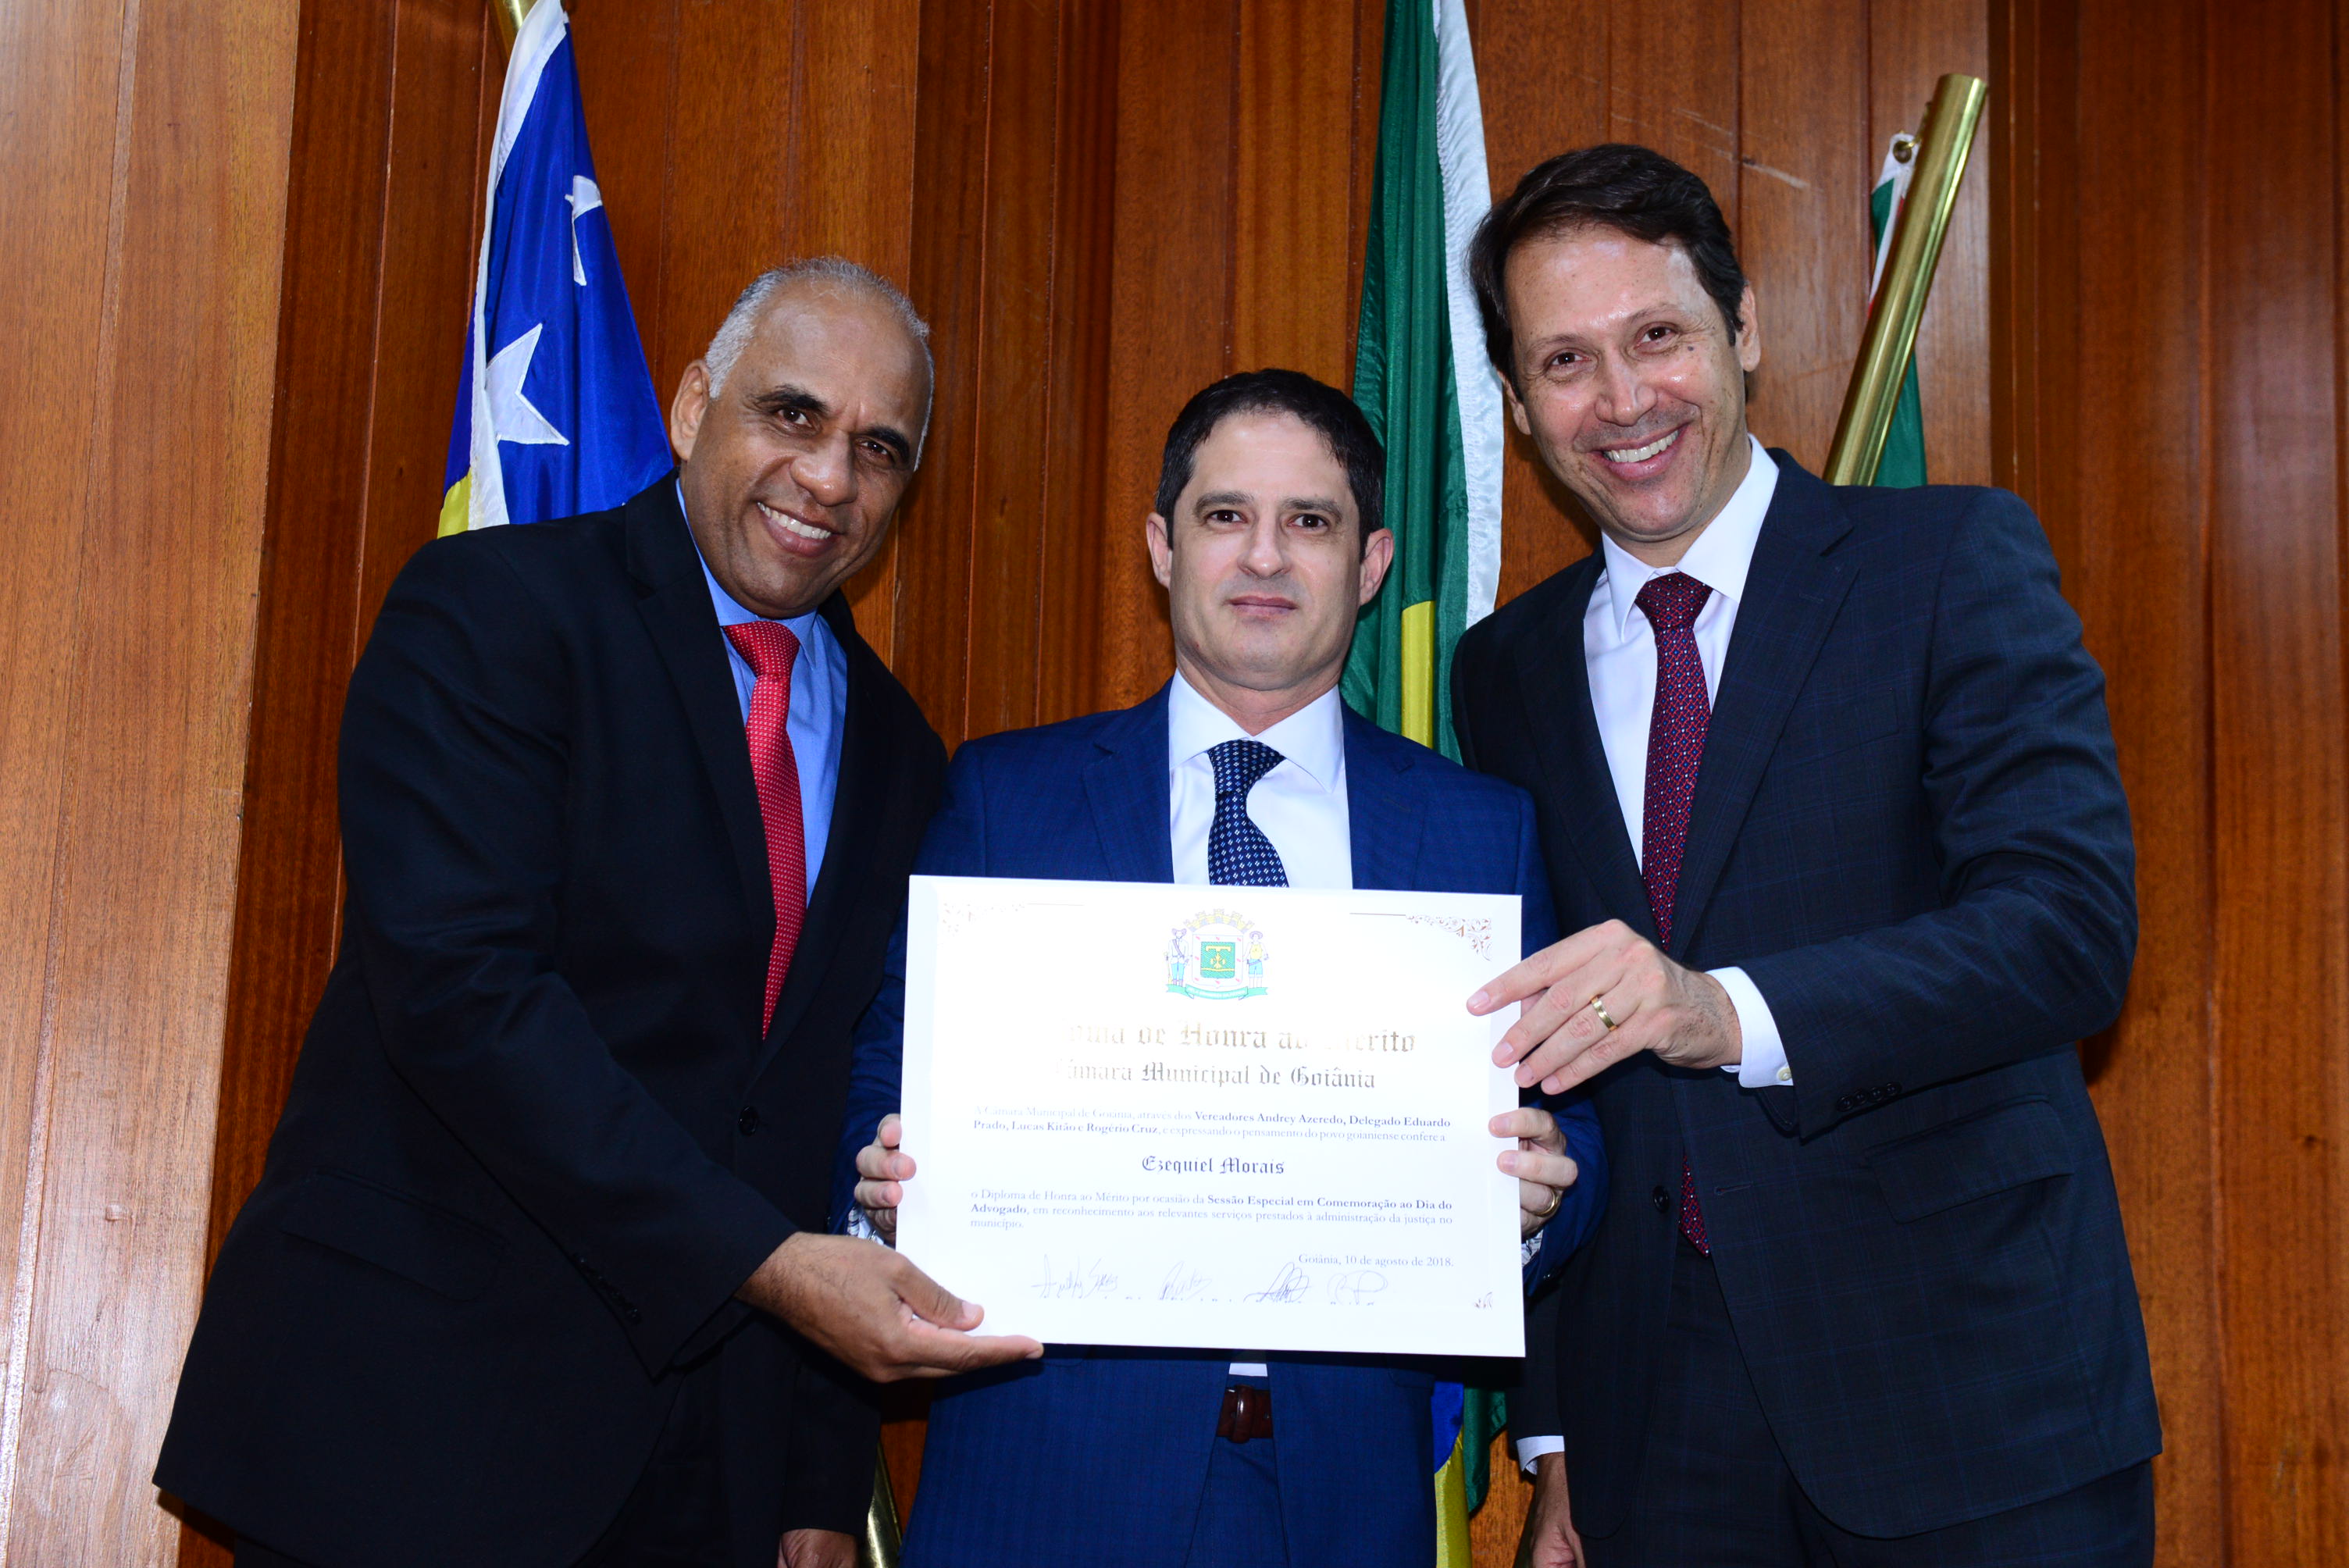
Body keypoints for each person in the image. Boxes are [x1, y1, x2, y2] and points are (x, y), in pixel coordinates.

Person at [156, 259, 1038, 1568]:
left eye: (879, 448)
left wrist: (815, 1478)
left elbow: (824, 1104)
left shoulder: (906, 757)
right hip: (416, 1430)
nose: (829, 478)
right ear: (691, 408)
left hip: (709, 1483)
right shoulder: (492, 611)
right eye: (792, 413)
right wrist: (768, 1265)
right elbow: (466, 1002)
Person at [1449, 144, 2159, 1566]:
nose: (1623, 400)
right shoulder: (1503, 670)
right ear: (1520, 405)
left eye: (1659, 336)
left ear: (1746, 328)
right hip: (1657, 1437)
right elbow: (1540, 1057)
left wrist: (1729, 1013)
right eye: (1567, 361)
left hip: (1968, 1392)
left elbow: (2068, 931)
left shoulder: (1947, 562)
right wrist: (1560, 1433)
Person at [836, 369, 1608, 1568]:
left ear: (1371, 563)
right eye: (1225, 515)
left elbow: (1575, 1126)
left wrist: (1539, 1195)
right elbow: (877, 1081)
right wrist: (886, 1184)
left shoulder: (1479, 832)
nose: (1264, 556)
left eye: (1310, 521)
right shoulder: (1005, 798)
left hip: (1340, 1503)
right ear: (1163, 547)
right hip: (1045, 1487)